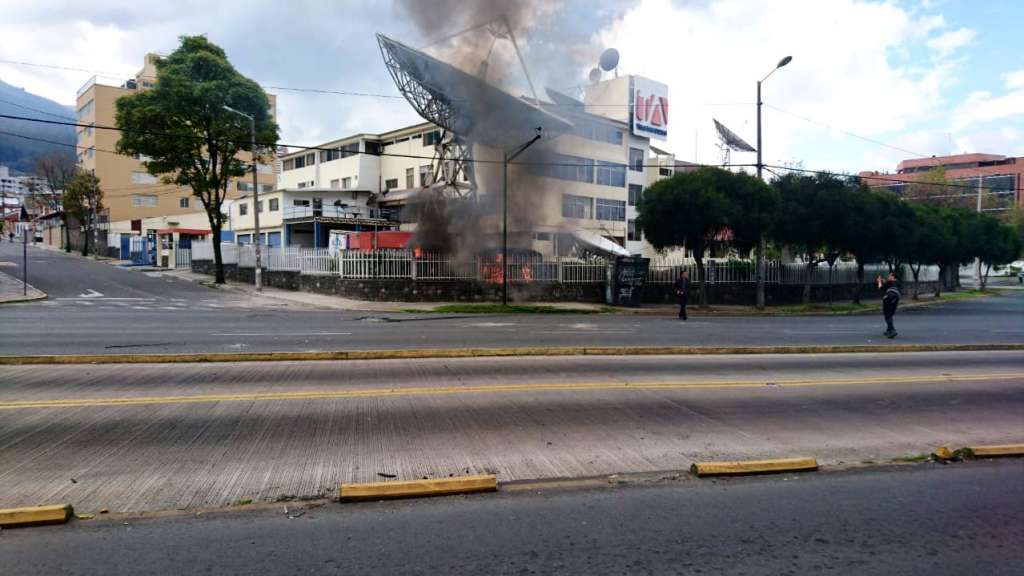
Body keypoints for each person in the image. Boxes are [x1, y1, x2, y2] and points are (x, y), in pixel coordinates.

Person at [876, 272, 901, 339]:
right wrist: (885, 281)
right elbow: (890, 284)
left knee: (887, 315)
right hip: (896, 297)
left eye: (889, 276)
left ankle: (892, 330)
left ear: (893, 277)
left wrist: (879, 281)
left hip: (889, 296)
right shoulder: (898, 283)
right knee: (890, 314)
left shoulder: (890, 282)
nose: (888, 277)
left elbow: (881, 288)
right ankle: (889, 330)